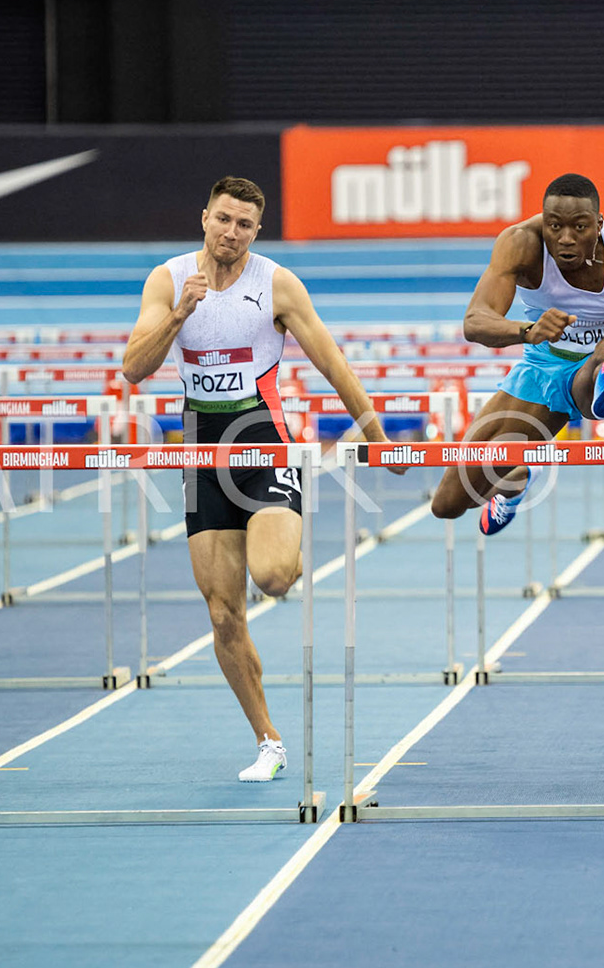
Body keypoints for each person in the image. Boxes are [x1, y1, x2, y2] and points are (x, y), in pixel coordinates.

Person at [121, 176, 398, 782]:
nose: (232, 232)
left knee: (272, 578)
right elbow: (134, 370)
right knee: (224, 614)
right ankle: (268, 739)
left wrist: (375, 435)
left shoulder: (275, 284)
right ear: (204, 218)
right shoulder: (167, 281)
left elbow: (331, 359)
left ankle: (288, 541)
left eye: (244, 225)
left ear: (256, 231)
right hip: (200, 452)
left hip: (262, 442)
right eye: (224, 219)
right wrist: (179, 314)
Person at [429, 173, 604, 531]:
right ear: (543, 223)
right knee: (448, 505)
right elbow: (475, 321)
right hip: (542, 370)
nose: (565, 239)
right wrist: (528, 331)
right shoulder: (520, 243)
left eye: (579, 227)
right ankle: (518, 479)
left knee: (602, 369)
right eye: (554, 227)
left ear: (598, 226)